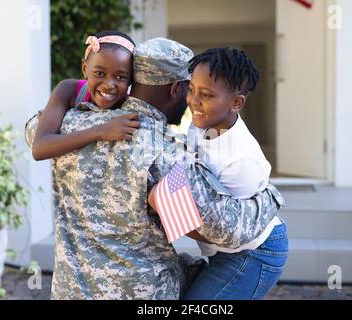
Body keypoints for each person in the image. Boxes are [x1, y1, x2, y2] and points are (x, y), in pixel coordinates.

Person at [25, 38, 285, 300]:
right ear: (175, 89)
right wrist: (269, 195)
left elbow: (33, 130)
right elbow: (226, 230)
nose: (192, 100)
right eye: (189, 89)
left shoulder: (66, 126)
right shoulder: (169, 153)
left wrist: (76, 92)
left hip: (72, 290)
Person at [182, 47, 288, 300]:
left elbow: (225, 232)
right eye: (191, 89)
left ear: (236, 103)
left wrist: (164, 216)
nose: (194, 101)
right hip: (222, 251)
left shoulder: (242, 161)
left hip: (251, 253)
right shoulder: (203, 123)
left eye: (206, 94)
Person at [29, 30, 140, 161]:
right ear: (84, 68)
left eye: (121, 77)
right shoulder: (69, 91)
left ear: (131, 80)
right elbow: (40, 148)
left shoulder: (131, 108)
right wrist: (102, 131)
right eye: (99, 73)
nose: (109, 85)